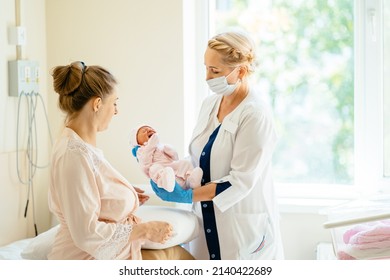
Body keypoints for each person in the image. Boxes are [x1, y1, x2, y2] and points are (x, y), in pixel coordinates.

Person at [150, 31, 284, 260]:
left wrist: (188, 196)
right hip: (205, 224)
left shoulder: (255, 114)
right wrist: (173, 174)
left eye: (215, 71)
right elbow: (200, 160)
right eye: (206, 68)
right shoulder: (209, 104)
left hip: (242, 233)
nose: (207, 77)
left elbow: (240, 182)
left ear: (240, 71)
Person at [48, 61, 194, 260]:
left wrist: (121, 195)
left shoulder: (81, 147)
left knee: (179, 256)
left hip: (105, 253)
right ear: (97, 104)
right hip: (84, 259)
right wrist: (145, 230)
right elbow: (86, 233)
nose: (116, 111)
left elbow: (91, 194)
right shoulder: (73, 155)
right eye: (114, 103)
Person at [129, 124, 203, 192]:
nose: (149, 130)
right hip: (160, 170)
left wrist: (171, 152)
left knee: (185, 163)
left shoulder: (160, 145)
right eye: (144, 131)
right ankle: (166, 182)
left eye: (150, 128)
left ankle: (191, 180)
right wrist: (151, 144)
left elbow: (175, 158)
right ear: (138, 142)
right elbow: (145, 163)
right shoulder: (141, 151)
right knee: (154, 169)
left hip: (170, 165)